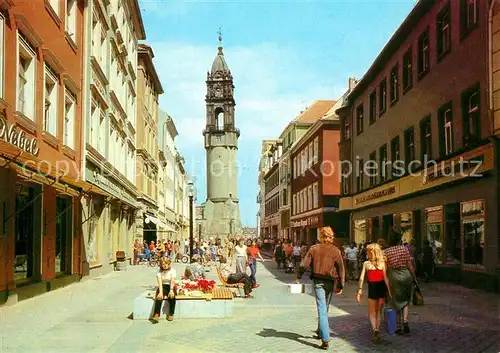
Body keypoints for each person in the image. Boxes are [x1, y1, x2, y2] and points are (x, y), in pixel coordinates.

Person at [296, 226, 345, 350]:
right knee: (325, 307)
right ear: (331, 237)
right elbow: (341, 269)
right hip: (330, 281)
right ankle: (321, 331)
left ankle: (325, 338)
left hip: (318, 280)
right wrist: (341, 285)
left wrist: (298, 276)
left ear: (321, 236)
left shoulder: (314, 249)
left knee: (322, 307)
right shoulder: (335, 250)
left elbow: (304, 264)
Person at [357, 243, 392, 343]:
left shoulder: (366, 264)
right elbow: (386, 279)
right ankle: (377, 329)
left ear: (372, 252)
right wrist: (389, 292)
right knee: (378, 312)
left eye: (368, 251)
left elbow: (361, 278)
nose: (367, 253)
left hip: (372, 288)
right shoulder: (382, 264)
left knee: (372, 312)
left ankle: (375, 330)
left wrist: (360, 290)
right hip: (381, 288)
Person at [384, 230, 415, 335]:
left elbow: (386, 267)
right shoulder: (404, 249)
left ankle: (397, 326)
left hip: (394, 276)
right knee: (406, 300)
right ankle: (405, 321)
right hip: (406, 275)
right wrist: (413, 276)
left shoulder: (387, 252)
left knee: (396, 301)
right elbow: (410, 265)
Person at [151, 258, 176, 323]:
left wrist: (171, 290)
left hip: (171, 285)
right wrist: (161, 292)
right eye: (163, 264)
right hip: (163, 286)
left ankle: (171, 313)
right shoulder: (159, 272)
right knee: (159, 297)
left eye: (166, 264)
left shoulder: (173, 271)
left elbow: (172, 281)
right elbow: (160, 282)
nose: (165, 265)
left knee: (172, 296)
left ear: (169, 264)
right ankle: (156, 314)